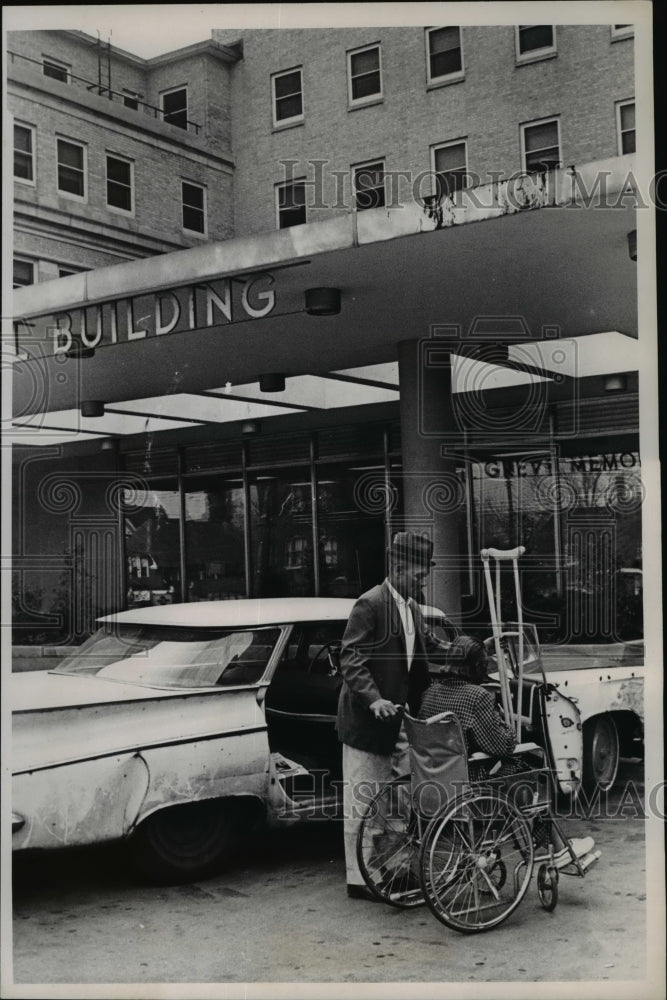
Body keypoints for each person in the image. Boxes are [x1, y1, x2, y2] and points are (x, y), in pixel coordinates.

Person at [336, 530, 450, 901]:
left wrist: (468, 650)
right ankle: (360, 879)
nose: (423, 580)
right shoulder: (370, 604)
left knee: (397, 801)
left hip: (400, 719)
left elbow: (431, 646)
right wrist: (373, 700)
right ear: (399, 568)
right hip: (368, 722)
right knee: (365, 801)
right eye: (419, 573)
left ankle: (391, 868)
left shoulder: (413, 607)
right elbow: (351, 659)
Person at [419, 635, 594, 869]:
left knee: (515, 769)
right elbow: (501, 746)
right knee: (535, 770)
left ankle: (494, 848)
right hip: (473, 783)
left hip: (433, 781)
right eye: (483, 664)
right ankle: (557, 847)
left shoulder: (430, 693)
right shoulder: (476, 696)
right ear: (475, 666)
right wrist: (504, 724)